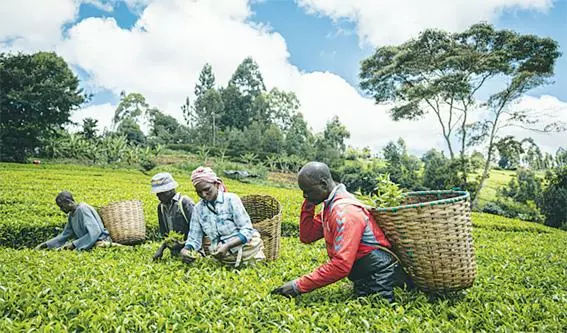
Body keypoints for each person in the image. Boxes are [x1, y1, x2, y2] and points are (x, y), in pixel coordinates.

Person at [271, 162, 412, 303]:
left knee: (374, 311)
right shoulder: (330, 205)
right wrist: (309, 203)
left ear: (323, 184)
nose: (304, 195)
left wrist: (298, 286)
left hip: (382, 276)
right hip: (365, 275)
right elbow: (307, 236)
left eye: (308, 191)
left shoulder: (345, 212)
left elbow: (341, 265)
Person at [180, 167, 265, 267]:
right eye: (199, 192)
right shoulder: (198, 209)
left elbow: (247, 230)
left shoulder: (231, 200)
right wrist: (186, 249)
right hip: (222, 257)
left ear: (216, 184)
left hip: (246, 251)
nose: (203, 195)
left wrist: (227, 245)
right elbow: (194, 237)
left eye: (207, 189)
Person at [34, 191, 114, 251]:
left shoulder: (83, 209)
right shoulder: (71, 215)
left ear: (68, 202)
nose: (61, 209)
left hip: (99, 241)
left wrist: (74, 244)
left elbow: (95, 232)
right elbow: (65, 234)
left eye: (62, 206)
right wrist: (46, 245)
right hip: (87, 244)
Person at [150, 172, 195, 260]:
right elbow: (165, 234)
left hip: (191, 252)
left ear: (171, 189)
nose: (158, 196)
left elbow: (197, 231)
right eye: (157, 193)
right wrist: (161, 249)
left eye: (161, 192)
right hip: (174, 254)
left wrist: (183, 244)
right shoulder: (161, 207)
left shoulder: (185, 203)